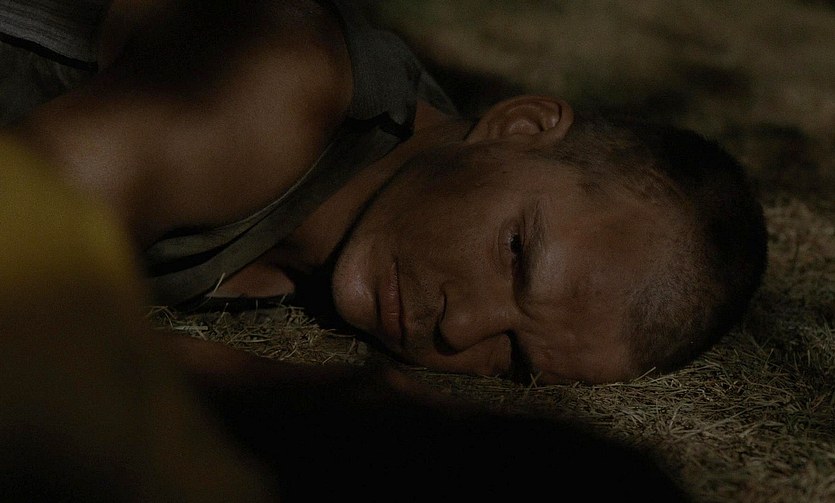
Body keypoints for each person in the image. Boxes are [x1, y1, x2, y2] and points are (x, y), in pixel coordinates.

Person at [2, 0, 767, 387]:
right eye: (513, 253)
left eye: (513, 359)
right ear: (520, 124)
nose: (460, 327)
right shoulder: (283, 87)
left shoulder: (339, 223)